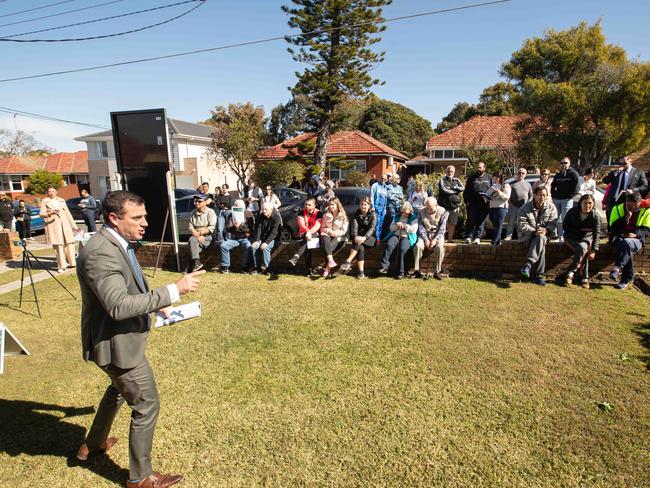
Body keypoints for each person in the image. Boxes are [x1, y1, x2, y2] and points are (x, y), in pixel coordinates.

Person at [76, 190, 203, 488]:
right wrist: (173, 290)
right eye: (137, 217)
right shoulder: (101, 252)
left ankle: (92, 445)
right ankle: (140, 478)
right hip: (116, 346)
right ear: (114, 218)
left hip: (116, 342)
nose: (145, 222)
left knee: (117, 390)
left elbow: (129, 289)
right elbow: (118, 305)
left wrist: (158, 304)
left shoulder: (117, 243)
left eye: (144, 216)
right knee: (146, 404)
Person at [517, 186, 558, 286]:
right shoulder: (525, 208)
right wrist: (534, 231)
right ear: (534, 195)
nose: (542, 197)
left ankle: (528, 265)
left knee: (541, 238)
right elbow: (522, 224)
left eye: (544, 195)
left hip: (544, 235)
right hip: (527, 237)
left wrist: (546, 230)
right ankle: (539, 276)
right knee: (541, 243)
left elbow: (553, 223)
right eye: (540, 195)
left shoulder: (551, 207)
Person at [608, 192, 650, 289]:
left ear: (640, 203)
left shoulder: (646, 211)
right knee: (625, 245)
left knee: (626, 243)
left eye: (635, 206)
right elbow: (612, 228)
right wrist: (625, 218)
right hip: (619, 237)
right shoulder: (617, 208)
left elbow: (647, 230)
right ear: (626, 202)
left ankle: (617, 268)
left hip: (636, 239)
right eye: (629, 205)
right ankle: (625, 278)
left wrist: (636, 235)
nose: (632, 208)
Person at [562, 194, 601, 288]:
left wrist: (594, 250)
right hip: (571, 238)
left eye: (590, 203)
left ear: (593, 204)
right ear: (580, 203)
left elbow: (597, 233)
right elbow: (565, 226)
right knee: (582, 250)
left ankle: (570, 273)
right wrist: (581, 229)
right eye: (585, 203)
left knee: (583, 248)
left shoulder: (595, 216)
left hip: (586, 239)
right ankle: (584, 279)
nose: (588, 205)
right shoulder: (572, 211)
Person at [40, 186, 80, 273]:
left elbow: (68, 213)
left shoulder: (61, 200)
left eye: (53, 191)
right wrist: (50, 213)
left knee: (69, 243)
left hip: (65, 224)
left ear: (56, 192)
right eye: (49, 191)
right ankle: (61, 265)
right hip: (54, 225)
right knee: (58, 245)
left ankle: (72, 262)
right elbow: (42, 214)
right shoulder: (45, 201)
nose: (51, 193)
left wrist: (74, 226)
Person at [379, 201, 418, 279]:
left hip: (407, 236)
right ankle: (384, 267)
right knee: (389, 244)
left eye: (406, 213)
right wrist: (397, 225)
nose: (404, 214)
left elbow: (413, 230)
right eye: (403, 212)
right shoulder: (396, 216)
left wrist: (405, 226)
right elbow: (391, 228)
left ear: (410, 211)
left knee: (402, 249)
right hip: (396, 234)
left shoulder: (414, 217)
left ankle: (401, 272)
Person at [340, 196, 376, 279]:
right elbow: (354, 227)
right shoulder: (355, 214)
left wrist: (364, 237)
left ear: (369, 205)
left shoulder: (373, 215)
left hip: (370, 238)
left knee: (359, 243)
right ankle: (361, 273)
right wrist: (355, 236)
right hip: (357, 238)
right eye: (362, 204)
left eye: (365, 204)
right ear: (360, 205)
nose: (363, 206)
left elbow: (372, 228)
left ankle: (348, 260)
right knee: (360, 247)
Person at [602, 155, 648, 221]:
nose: (622, 165)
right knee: (611, 222)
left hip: (628, 202)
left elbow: (645, 186)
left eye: (624, 163)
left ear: (630, 161)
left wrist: (633, 190)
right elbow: (605, 181)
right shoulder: (616, 172)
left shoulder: (638, 172)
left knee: (625, 222)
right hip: (613, 201)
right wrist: (615, 173)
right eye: (620, 163)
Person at [413, 197, 448, 279]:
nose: (428, 210)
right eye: (427, 208)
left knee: (439, 248)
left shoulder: (443, 212)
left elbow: (443, 229)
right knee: (418, 246)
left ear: (436, 205)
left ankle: (437, 271)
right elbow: (421, 227)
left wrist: (435, 239)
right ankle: (417, 270)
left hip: (438, 235)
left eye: (430, 208)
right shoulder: (421, 212)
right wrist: (426, 239)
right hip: (425, 234)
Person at [288, 197, 322, 275]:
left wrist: (310, 233)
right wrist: (308, 232)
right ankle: (309, 270)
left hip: (315, 235)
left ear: (314, 205)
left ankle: (296, 256)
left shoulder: (319, 213)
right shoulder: (301, 212)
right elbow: (302, 225)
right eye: (306, 204)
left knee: (307, 245)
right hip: (304, 235)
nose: (307, 206)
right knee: (307, 245)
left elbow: (317, 225)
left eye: (309, 205)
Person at [219, 199, 255, 274]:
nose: (238, 208)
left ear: (244, 207)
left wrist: (240, 226)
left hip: (245, 238)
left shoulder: (249, 214)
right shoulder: (230, 215)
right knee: (223, 245)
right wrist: (234, 226)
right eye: (236, 206)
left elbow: (250, 228)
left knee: (248, 246)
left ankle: (245, 267)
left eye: (240, 206)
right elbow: (228, 229)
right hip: (234, 238)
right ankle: (225, 266)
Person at [463, 162, 493, 244]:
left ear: (484, 168)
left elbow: (493, 190)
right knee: (471, 220)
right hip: (472, 204)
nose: (478, 169)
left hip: (484, 203)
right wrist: (466, 202)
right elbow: (466, 191)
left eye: (480, 167)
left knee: (481, 221)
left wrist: (490, 200)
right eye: (477, 167)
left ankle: (477, 238)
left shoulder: (489, 177)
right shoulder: (472, 178)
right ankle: (469, 237)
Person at [551, 157, 579, 241]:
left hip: (567, 200)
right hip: (557, 199)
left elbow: (576, 187)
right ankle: (559, 236)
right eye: (562, 163)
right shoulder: (558, 174)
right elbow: (553, 185)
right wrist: (553, 195)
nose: (563, 164)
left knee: (564, 218)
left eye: (565, 163)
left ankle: (564, 237)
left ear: (569, 163)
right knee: (556, 218)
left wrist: (570, 196)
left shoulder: (573, 174)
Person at [186, 194, 217, 273]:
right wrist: (197, 235)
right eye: (195, 201)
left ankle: (191, 266)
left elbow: (211, 228)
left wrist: (200, 234)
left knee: (192, 243)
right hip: (196, 236)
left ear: (204, 202)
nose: (197, 203)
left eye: (199, 201)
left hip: (206, 237)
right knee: (192, 240)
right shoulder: (193, 212)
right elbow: (190, 226)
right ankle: (196, 263)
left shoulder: (210, 212)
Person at [319, 198, 349, 277]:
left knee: (329, 248)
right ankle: (331, 261)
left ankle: (327, 268)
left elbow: (344, 230)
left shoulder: (343, 216)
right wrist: (329, 231)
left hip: (339, 237)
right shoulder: (326, 215)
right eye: (329, 205)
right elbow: (322, 228)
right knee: (325, 239)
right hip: (328, 235)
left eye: (333, 204)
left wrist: (335, 233)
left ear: (337, 205)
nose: (331, 206)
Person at [250, 202, 281, 274]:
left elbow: (274, 233)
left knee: (265, 248)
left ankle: (267, 268)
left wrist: (266, 243)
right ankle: (256, 267)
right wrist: (257, 240)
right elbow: (258, 229)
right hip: (262, 238)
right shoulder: (261, 216)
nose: (263, 211)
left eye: (265, 209)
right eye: (262, 209)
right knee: (254, 246)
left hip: (273, 239)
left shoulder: (276, 217)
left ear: (271, 209)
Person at [437, 165, 464, 241]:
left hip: (454, 206)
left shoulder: (457, 180)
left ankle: (449, 239)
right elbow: (444, 190)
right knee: (442, 223)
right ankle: (440, 239)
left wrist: (453, 188)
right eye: (448, 171)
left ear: (454, 172)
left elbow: (462, 188)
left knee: (452, 223)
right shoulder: (442, 180)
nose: (450, 172)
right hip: (443, 206)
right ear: (446, 171)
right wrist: (456, 191)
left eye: (452, 171)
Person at [505, 168, 532, 241]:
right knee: (511, 222)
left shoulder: (528, 184)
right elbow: (508, 195)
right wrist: (510, 203)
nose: (521, 174)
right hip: (513, 206)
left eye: (523, 173)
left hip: (524, 207)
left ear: (525, 175)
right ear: (517, 174)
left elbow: (531, 195)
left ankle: (522, 236)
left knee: (523, 223)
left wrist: (528, 204)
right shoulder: (512, 184)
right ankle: (509, 236)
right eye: (519, 172)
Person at [486, 172, 511, 246]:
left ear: (501, 177)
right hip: (492, 207)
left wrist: (500, 192)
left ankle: (494, 241)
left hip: (501, 208)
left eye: (497, 177)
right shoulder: (493, 185)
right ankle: (498, 242)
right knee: (495, 224)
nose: (495, 178)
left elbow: (507, 197)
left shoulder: (506, 185)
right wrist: (486, 196)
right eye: (494, 177)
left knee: (498, 225)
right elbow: (488, 195)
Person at [370, 174, 389, 240]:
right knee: (376, 224)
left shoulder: (385, 187)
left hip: (383, 208)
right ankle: (376, 239)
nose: (383, 180)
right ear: (379, 178)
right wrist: (372, 206)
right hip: (376, 207)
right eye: (382, 178)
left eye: (385, 179)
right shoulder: (375, 186)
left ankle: (379, 239)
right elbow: (372, 196)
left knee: (381, 224)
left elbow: (386, 198)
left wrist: (385, 208)